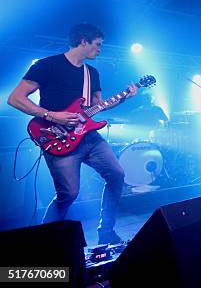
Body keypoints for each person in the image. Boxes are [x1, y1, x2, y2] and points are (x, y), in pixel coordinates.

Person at [7, 23, 136, 244]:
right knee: (69, 194)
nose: (100, 49)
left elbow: (97, 106)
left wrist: (123, 98)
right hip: (56, 135)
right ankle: (44, 242)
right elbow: (15, 98)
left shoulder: (91, 73)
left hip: (88, 137)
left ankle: (106, 233)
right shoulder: (46, 66)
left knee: (117, 175)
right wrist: (51, 115)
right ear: (83, 41)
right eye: (98, 44)